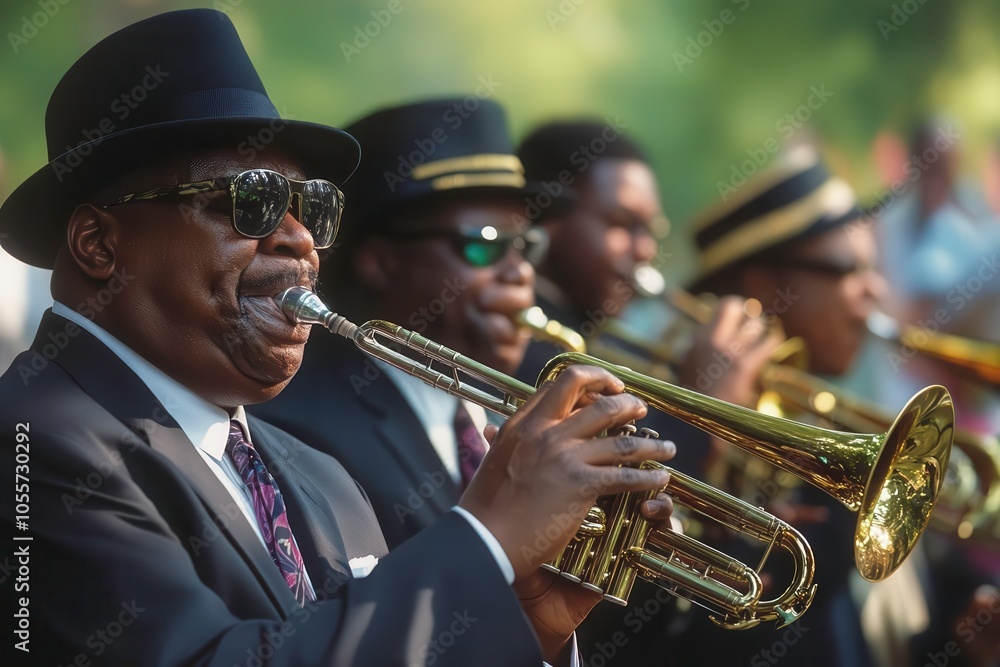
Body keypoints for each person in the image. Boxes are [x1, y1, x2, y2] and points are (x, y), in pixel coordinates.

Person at [0, 11, 676, 666]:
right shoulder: (32, 440)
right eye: (252, 202)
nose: (298, 238)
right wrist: (486, 539)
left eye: (312, 208)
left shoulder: (321, 476)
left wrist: (530, 622)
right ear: (98, 243)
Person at [251, 98, 567, 549]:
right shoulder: (302, 428)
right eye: (486, 244)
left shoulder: (509, 410)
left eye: (527, 245)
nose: (520, 271)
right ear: (381, 262)